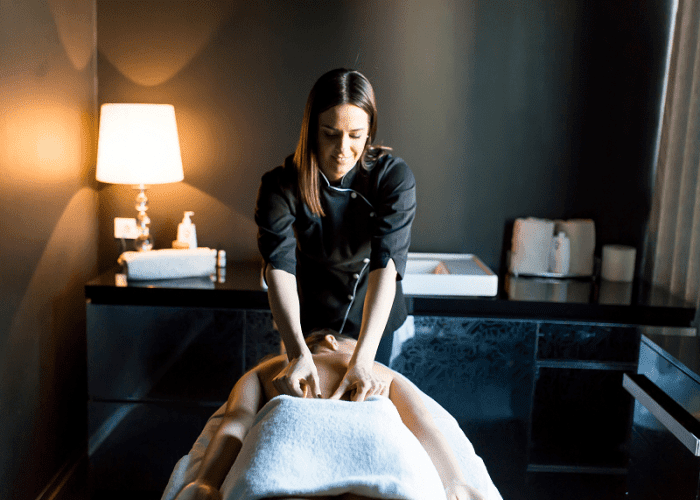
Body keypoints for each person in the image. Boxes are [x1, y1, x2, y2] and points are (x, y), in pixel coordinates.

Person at [255, 68, 416, 402]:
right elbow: (279, 268)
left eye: (356, 135)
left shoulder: (392, 178)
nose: (343, 149)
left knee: (369, 405)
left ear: (370, 131)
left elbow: (386, 264)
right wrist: (297, 350)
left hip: (371, 310)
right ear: (312, 131)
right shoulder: (280, 185)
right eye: (330, 133)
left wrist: (364, 358)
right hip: (308, 310)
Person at [173, 330, 483, 500]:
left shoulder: (264, 372)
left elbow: (235, 423)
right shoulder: (381, 373)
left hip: (284, 464)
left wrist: (206, 481)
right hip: (378, 459)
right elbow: (423, 425)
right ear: (331, 341)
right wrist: (456, 481)